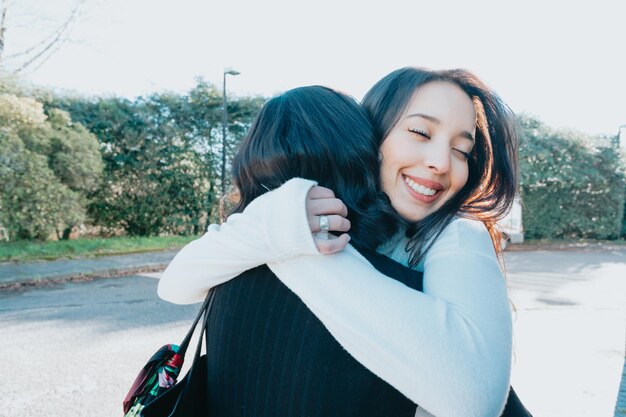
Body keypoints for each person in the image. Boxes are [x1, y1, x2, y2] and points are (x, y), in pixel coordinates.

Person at [159, 68, 524, 417]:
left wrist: (287, 234)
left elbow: (472, 396)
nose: (441, 163)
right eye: (421, 133)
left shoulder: (456, 236)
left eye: (462, 151)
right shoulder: (298, 223)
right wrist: (270, 226)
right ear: (369, 137)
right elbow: (175, 284)